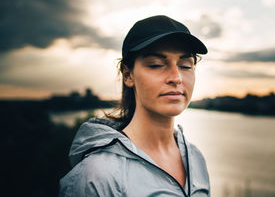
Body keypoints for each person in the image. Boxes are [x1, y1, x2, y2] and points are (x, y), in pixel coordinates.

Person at [59, 15, 210, 196]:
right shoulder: (98, 174)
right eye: (156, 64)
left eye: (186, 65)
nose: (176, 77)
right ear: (128, 75)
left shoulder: (195, 158)